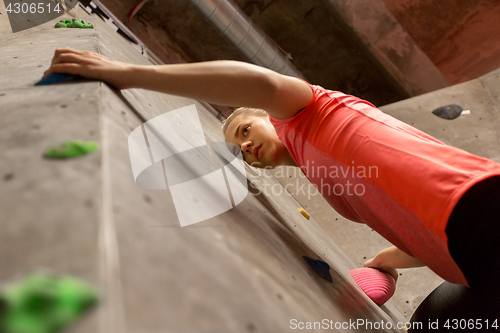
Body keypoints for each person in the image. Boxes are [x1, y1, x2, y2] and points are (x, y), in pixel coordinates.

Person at [44, 48, 500, 330]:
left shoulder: (309, 111)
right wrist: (392, 259)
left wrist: (127, 73)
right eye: (239, 150)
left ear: (265, 114)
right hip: (470, 255)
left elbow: (258, 82)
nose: (245, 145)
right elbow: (424, 227)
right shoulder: (326, 176)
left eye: (244, 128)